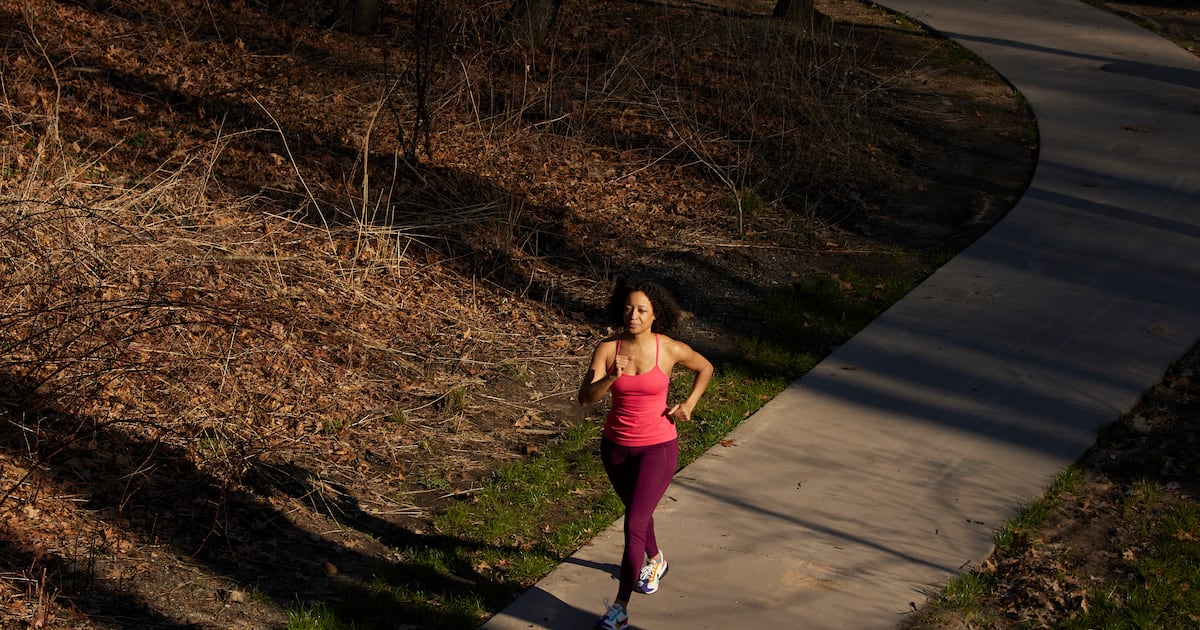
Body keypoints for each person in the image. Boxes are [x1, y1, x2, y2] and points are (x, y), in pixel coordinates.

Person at [578, 278, 714, 630]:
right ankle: (656, 559)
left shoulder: (668, 349)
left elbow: (705, 367)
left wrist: (689, 404)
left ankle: (620, 608)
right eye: (627, 308)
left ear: (655, 315)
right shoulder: (608, 349)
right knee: (637, 512)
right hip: (616, 448)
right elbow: (585, 398)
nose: (632, 315)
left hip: (658, 447)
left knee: (634, 522)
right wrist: (610, 377)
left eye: (641, 310)